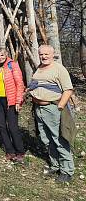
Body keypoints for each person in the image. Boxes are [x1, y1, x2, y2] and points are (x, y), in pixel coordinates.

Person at [28, 45, 75, 182]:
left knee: (59, 139)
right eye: (41, 54)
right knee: (46, 139)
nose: (44, 56)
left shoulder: (59, 69)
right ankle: (55, 165)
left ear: (53, 54)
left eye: (46, 54)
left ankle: (67, 170)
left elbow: (68, 89)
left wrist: (60, 106)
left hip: (53, 109)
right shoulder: (39, 68)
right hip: (39, 109)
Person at [0, 47, 25, 162]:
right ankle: (10, 150)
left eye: (2, 55)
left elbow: (20, 84)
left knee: (12, 127)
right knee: (1, 126)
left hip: (10, 101)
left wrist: (19, 101)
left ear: (6, 55)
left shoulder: (12, 65)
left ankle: (20, 151)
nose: (0, 57)